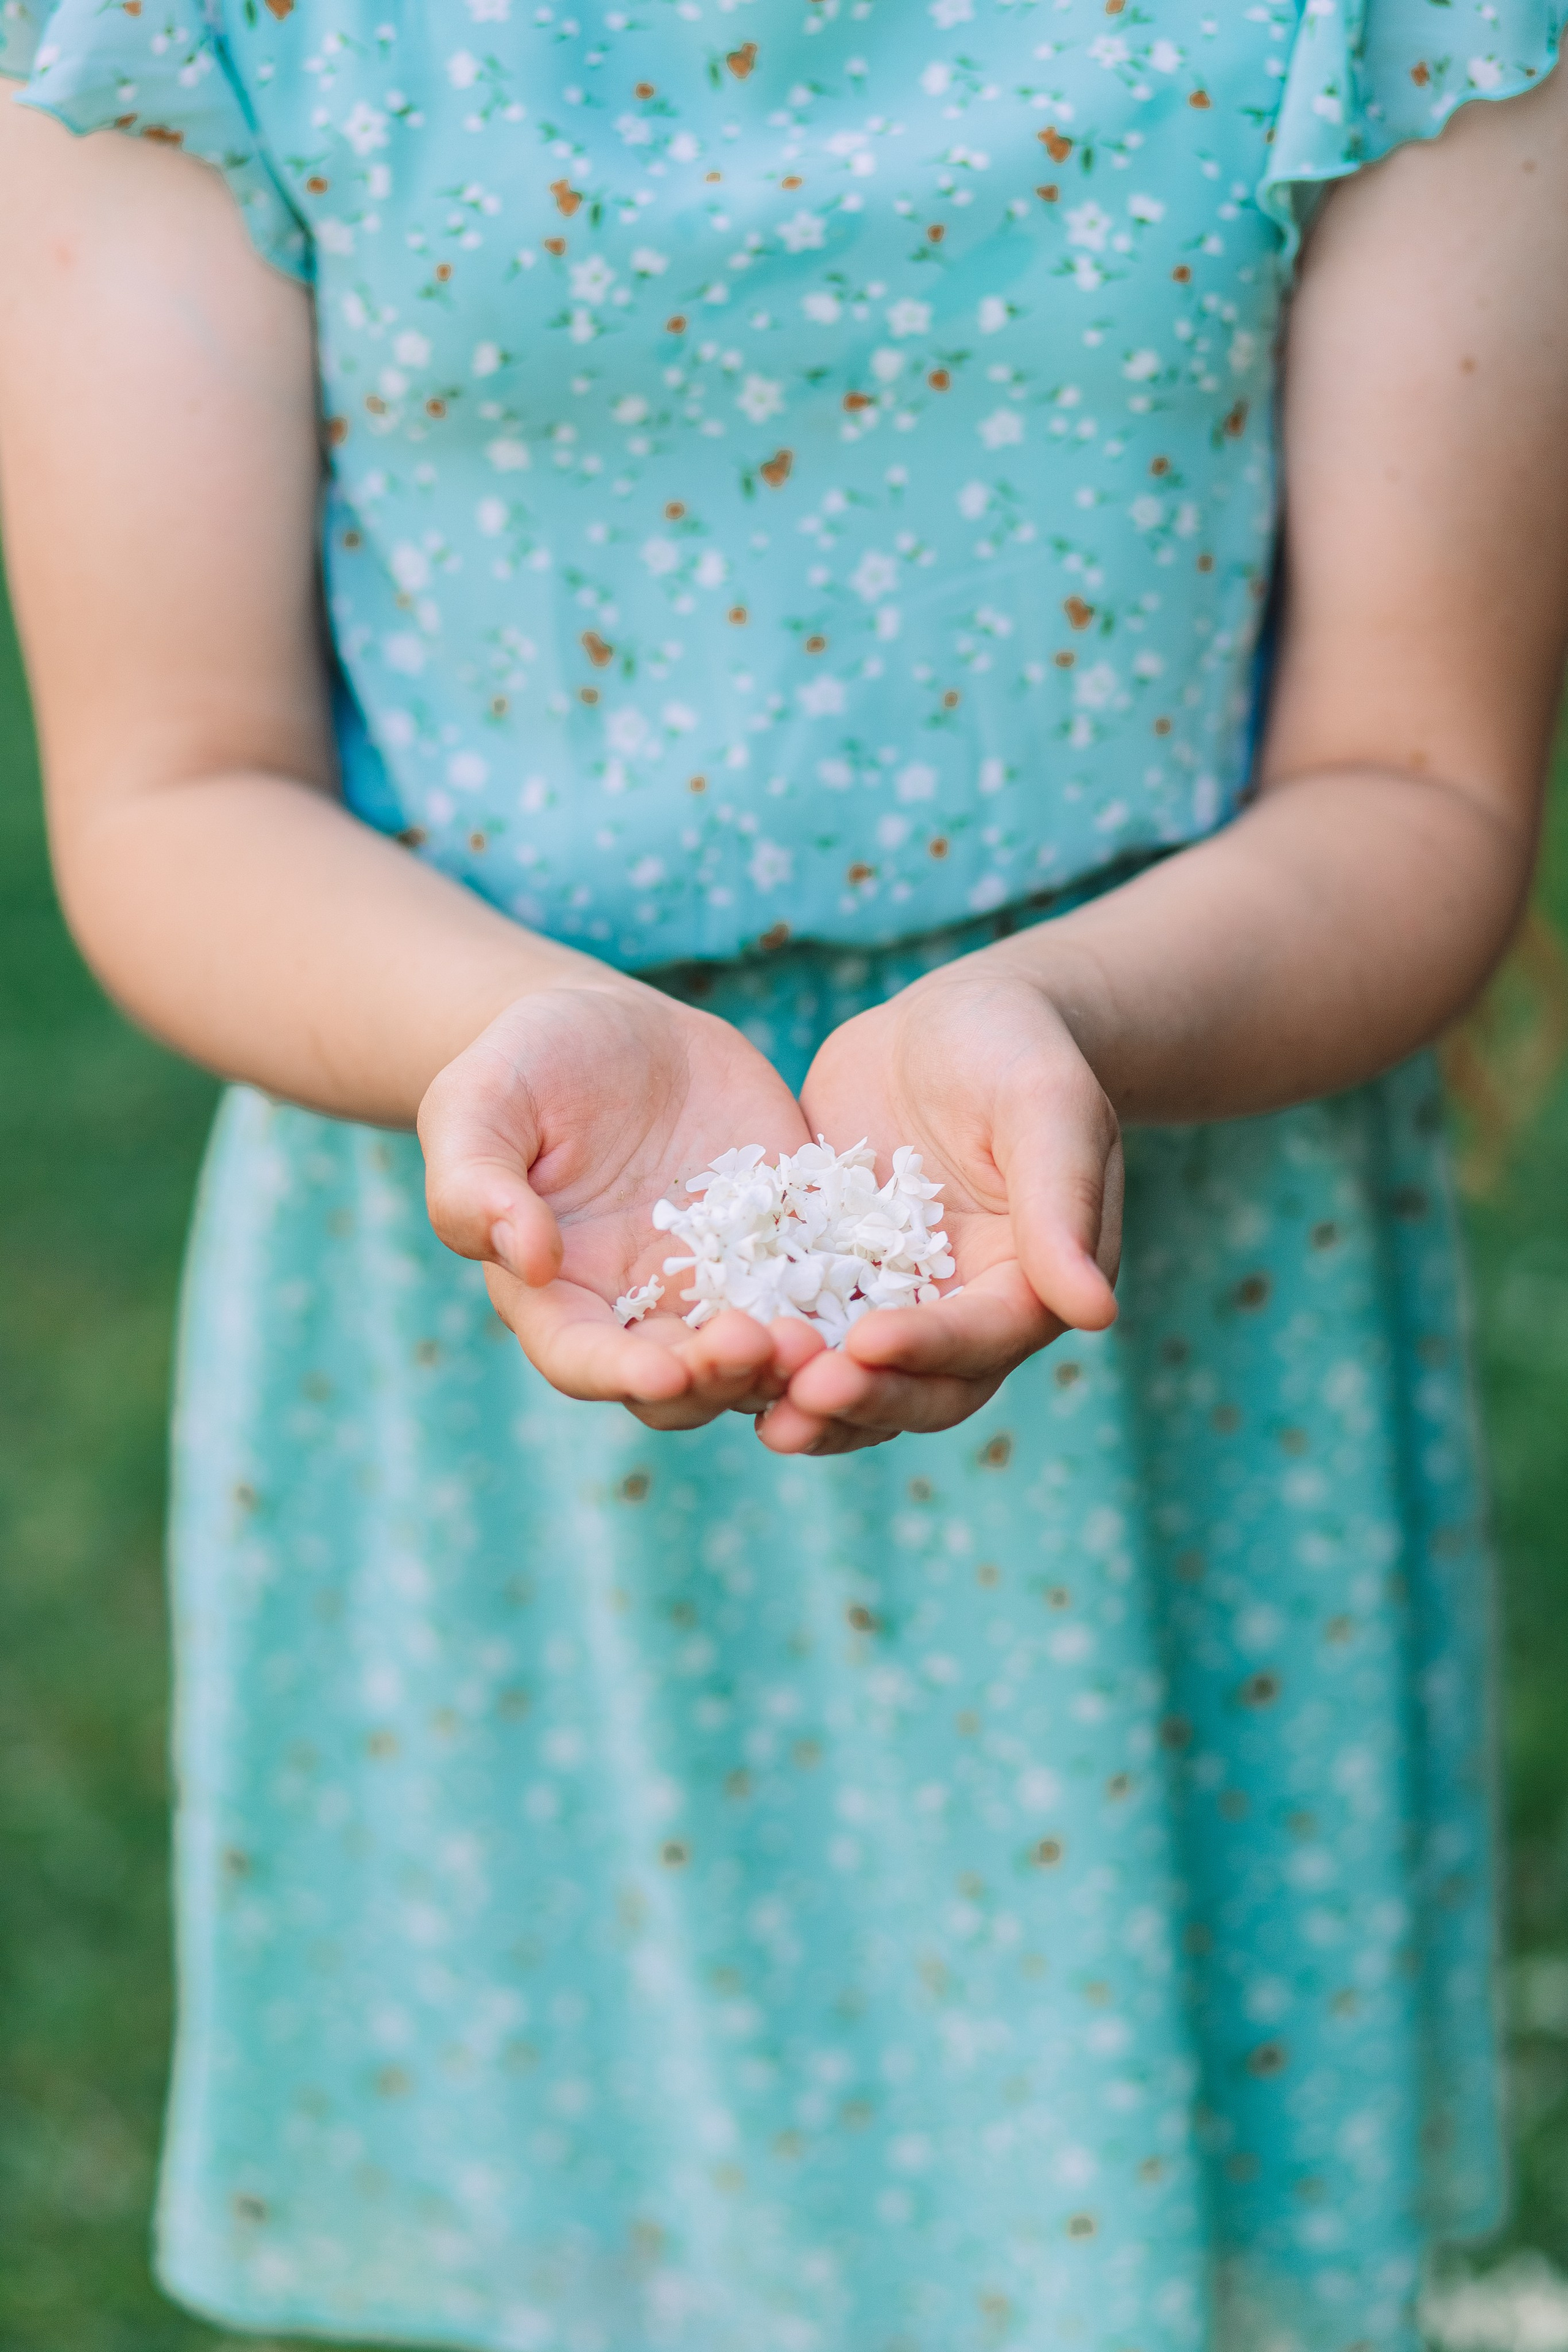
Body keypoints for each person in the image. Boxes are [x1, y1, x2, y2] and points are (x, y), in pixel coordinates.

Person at [3, 0, 1567, 2343]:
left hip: (1158, 1249)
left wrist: (1068, 1023)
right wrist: (490, 1037)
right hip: (513, 1245)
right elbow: (175, 784)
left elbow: (1419, 780)